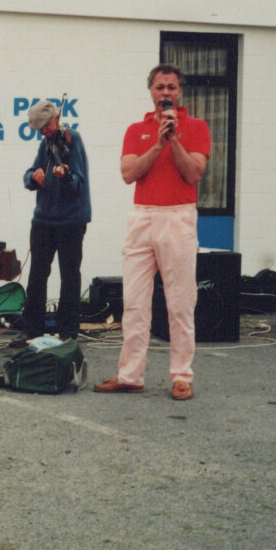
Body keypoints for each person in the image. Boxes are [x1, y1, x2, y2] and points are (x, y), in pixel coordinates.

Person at [95, 64, 210, 400]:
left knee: (180, 302)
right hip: (143, 216)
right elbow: (128, 173)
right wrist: (158, 144)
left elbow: (194, 173)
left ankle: (182, 376)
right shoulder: (136, 130)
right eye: (160, 87)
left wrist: (173, 139)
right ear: (151, 91)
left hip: (178, 216)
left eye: (171, 87)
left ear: (180, 91)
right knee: (134, 302)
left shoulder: (197, 127)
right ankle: (130, 375)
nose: (165, 93)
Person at [10, 99, 91, 347]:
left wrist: (65, 176)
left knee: (69, 276)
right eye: (40, 129)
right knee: (37, 275)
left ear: (56, 118)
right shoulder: (45, 143)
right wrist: (34, 176)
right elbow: (29, 175)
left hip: (71, 221)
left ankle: (68, 332)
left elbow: (78, 184)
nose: (43, 132)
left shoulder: (73, 140)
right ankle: (32, 331)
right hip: (44, 220)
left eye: (46, 126)